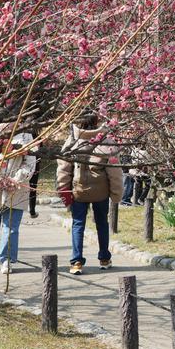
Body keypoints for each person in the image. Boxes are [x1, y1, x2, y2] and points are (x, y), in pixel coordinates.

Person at [56, 115, 123, 275]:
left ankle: (76, 262)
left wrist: (63, 189)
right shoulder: (106, 141)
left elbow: (64, 169)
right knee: (102, 223)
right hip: (101, 192)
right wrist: (116, 194)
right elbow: (115, 172)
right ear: (96, 122)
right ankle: (104, 258)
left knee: (78, 224)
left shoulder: (72, 140)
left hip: (78, 191)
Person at [0, 129, 36, 275]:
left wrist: (15, 180)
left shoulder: (26, 136)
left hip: (15, 189)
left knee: (10, 228)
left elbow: (30, 163)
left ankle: (6, 259)